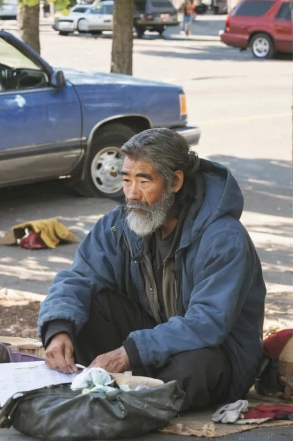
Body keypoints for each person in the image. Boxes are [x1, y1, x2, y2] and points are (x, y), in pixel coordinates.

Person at [38, 128, 265, 411]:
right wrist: (59, 329)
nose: (132, 194)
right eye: (126, 179)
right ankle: (134, 394)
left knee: (194, 366)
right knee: (85, 310)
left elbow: (207, 321)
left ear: (175, 181)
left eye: (144, 181)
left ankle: (132, 399)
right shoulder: (119, 224)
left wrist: (130, 353)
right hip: (153, 343)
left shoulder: (224, 238)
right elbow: (80, 278)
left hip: (213, 352)